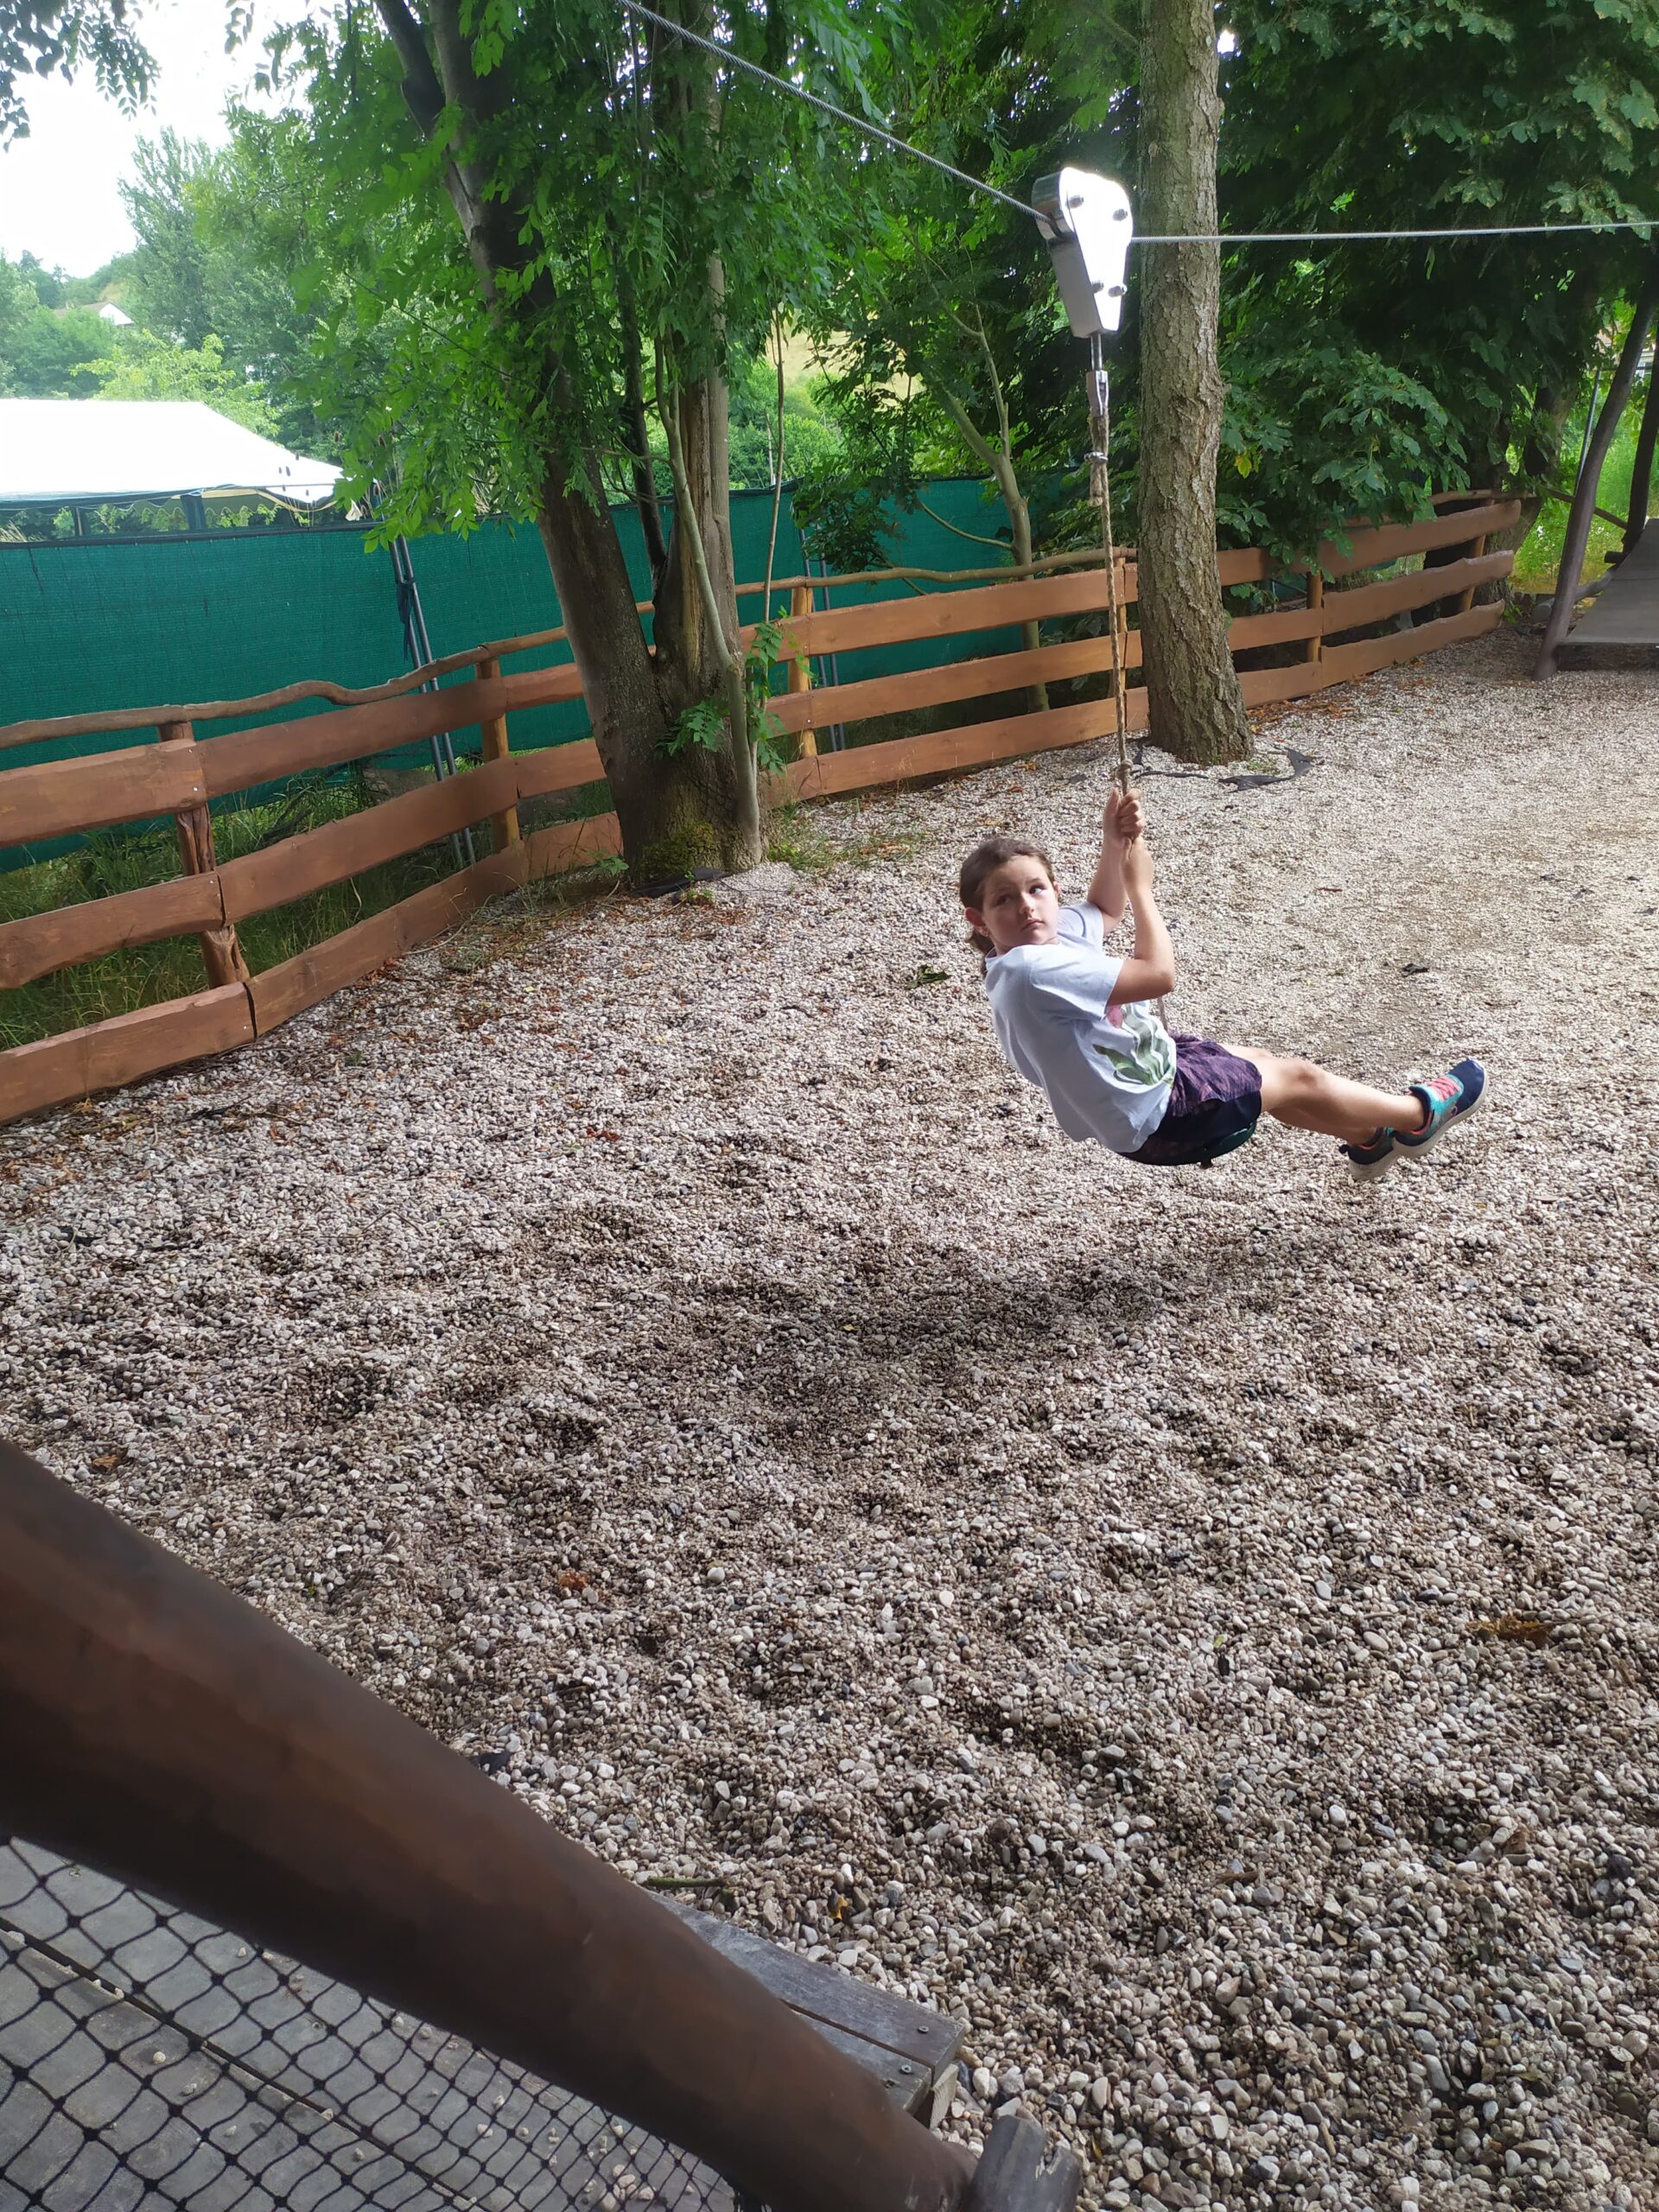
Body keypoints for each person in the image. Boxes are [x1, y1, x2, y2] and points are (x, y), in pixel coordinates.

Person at [958, 792, 1484, 1178]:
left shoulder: (1046, 936)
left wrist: (1114, 842)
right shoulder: (1028, 972)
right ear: (978, 918)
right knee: (1298, 1076)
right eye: (1004, 900)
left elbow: (1103, 909)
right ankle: (1418, 1117)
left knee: (1268, 1067)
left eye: (1036, 889)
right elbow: (1159, 975)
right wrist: (1143, 889)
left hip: (1158, 1068)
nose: (1026, 906)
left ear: (1054, 891)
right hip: (1162, 1117)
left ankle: (1369, 1138)